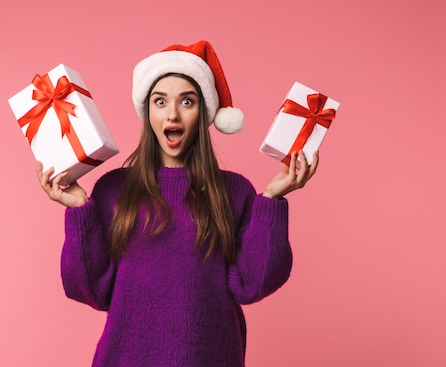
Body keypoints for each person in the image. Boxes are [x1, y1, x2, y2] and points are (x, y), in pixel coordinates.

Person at [36, 40, 319, 367]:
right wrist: (79, 210)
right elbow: (91, 290)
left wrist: (272, 198)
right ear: (148, 112)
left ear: (204, 112)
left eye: (187, 101)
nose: (172, 113)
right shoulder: (113, 189)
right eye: (160, 101)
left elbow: (253, 283)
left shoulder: (235, 192)